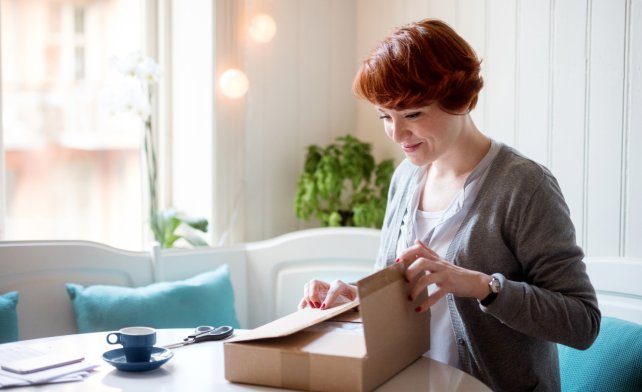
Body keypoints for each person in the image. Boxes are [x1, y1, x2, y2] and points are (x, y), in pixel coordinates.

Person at [299, 19, 600, 391]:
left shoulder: (524, 186)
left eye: (412, 114)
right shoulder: (405, 179)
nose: (397, 134)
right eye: (384, 117)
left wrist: (482, 286)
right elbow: (398, 294)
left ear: (461, 99)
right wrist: (355, 300)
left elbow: (582, 323)